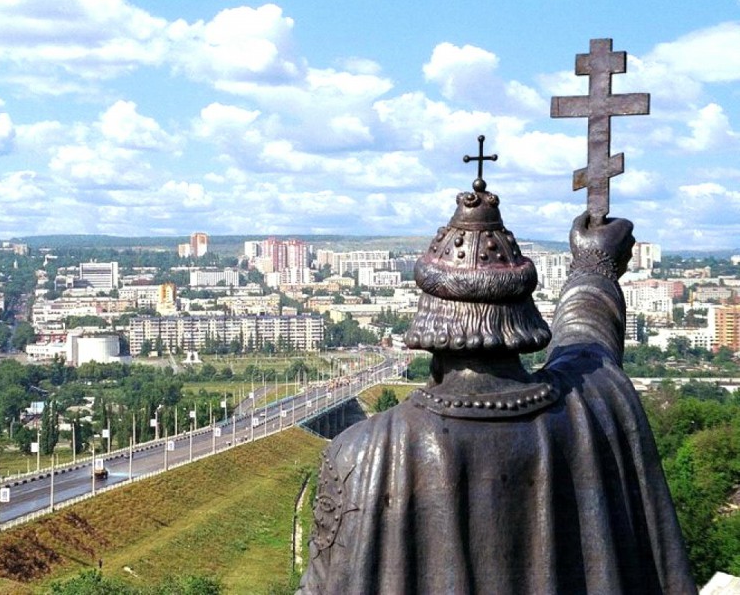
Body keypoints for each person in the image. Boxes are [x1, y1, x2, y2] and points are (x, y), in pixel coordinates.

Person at [298, 187, 696, 594]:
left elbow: (317, 587)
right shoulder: (588, 409)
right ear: (519, 315)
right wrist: (594, 267)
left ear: (430, 320)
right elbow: (587, 347)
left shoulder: (360, 451)